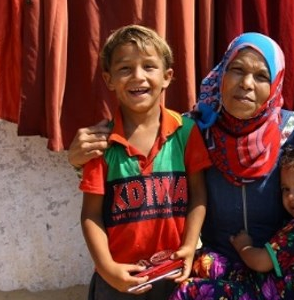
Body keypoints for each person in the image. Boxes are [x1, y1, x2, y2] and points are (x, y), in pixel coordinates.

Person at [69, 32, 294, 297]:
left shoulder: (292, 129)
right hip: (211, 268)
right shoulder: (197, 127)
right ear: (221, 73)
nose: (246, 83)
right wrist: (77, 161)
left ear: (276, 83)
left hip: (276, 265)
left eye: (261, 76)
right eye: (237, 69)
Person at [78, 24, 212, 300]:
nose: (137, 76)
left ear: (167, 76)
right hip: (121, 280)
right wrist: (107, 268)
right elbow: (90, 215)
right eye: (125, 68)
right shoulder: (101, 144)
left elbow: (198, 195)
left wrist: (189, 247)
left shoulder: (185, 132)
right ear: (109, 79)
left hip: (176, 273)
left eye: (149, 66)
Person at [170, 147, 294, 299]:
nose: (291, 196)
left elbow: (261, 262)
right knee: (204, 261)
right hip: (255, 282)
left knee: (188, 289)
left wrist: (244, 246)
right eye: (286, 189)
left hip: (259, 294)